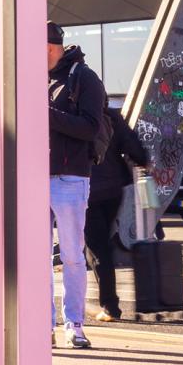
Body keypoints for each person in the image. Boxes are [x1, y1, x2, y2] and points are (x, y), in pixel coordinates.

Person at [48, 22, 106, 348]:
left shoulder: (84, 78)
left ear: (57, 48)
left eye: (46, 50)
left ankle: (74, 323)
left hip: (70, 179)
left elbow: (91, 128)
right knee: (36, 258)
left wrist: (47, 115)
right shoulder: (31, 77)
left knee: (71, 256)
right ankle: (44, 324)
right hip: (33, 177)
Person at [85, 104, 149, 323]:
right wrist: (144, 162)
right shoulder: (111, 116)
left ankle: (110, 306)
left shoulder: (77, 113)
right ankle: (109, 303)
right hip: (113, 190)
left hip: (87, 190)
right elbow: (134, 147)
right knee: (101, 246)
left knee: (96, 250)